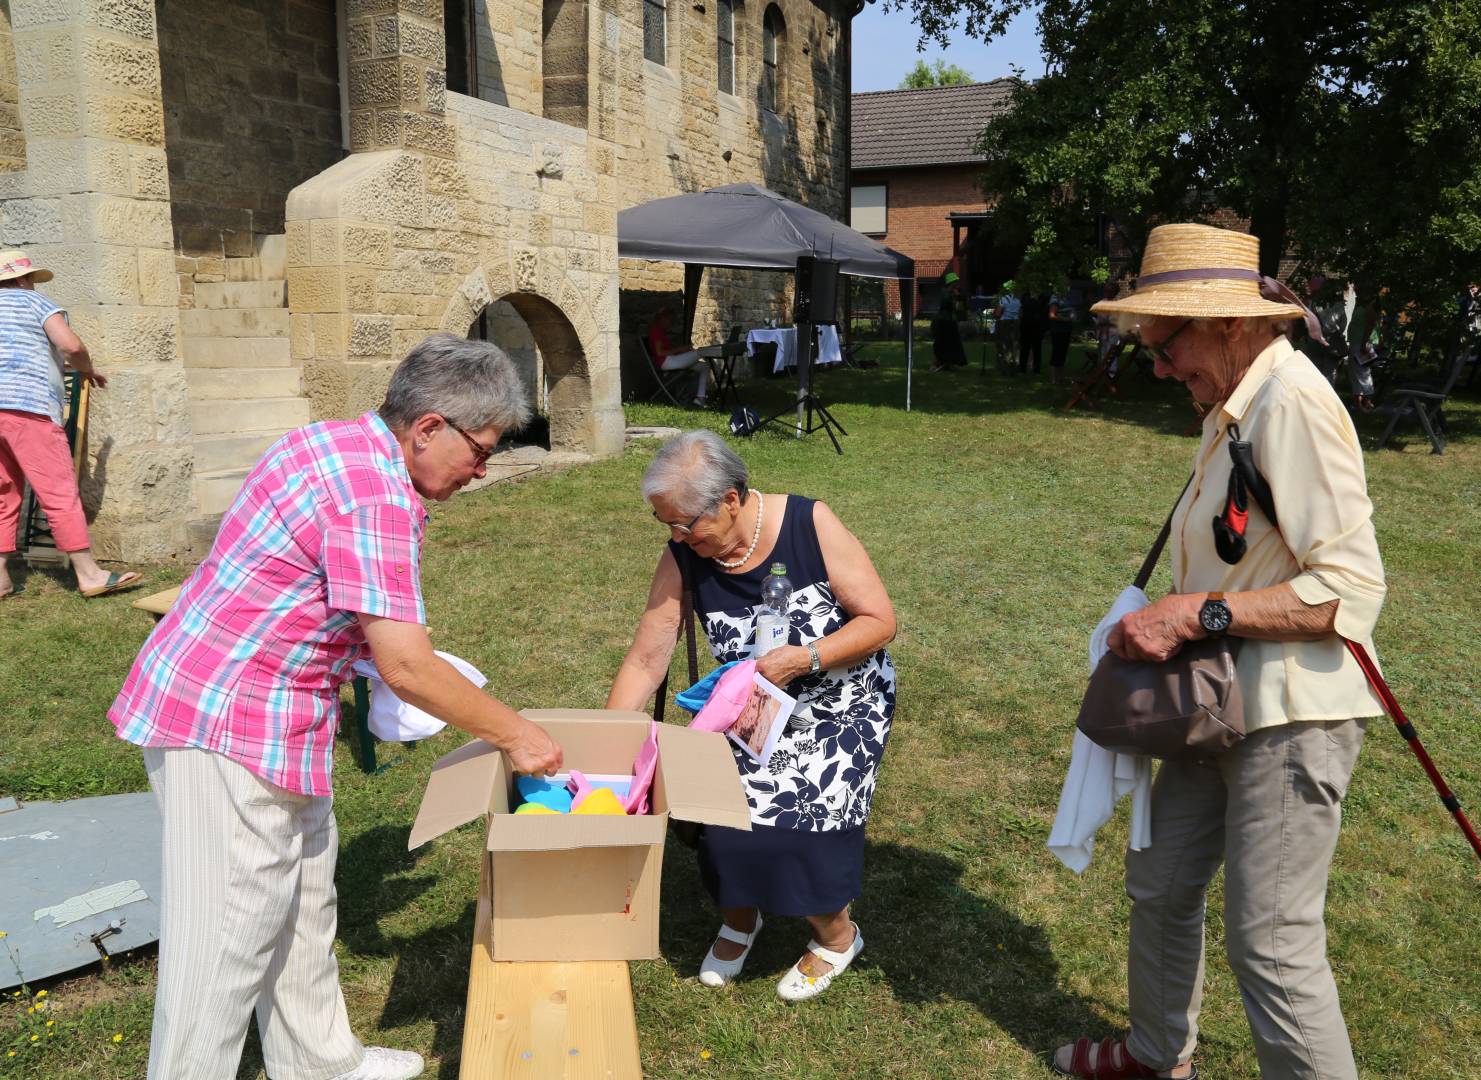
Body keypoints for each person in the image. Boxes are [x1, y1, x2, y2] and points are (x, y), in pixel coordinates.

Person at [108, 335, 565, 1080]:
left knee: (300, 903)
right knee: (223, 943)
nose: (483, 469)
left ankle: (318, 1061)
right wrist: (517, 735)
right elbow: (408, 664)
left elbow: (311, 593)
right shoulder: (376, 495)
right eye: (481, 450)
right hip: (229, 720)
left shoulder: (336, 441)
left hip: (273, 708)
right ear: (428, 428)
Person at [1055, 223, 1387, 1080]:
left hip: (1290, 715)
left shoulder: (1292, 404)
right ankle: (1157, 1056)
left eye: (1168, 345)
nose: (1160, 368)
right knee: (1161, 882)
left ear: (1233, 325)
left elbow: (1348, 591)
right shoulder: (1234, 403)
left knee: (1273, 945)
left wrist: (1191, 614)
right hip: (1213, 707)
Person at [607, 430, 897, 1001]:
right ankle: (741, 921)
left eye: (686, 523)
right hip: (749, 709)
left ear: (732, 500)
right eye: (665, 524)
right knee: (719, 815)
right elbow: (647, 656)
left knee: (801, 827)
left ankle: (837, 938)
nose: (677, 536)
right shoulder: (684, 556)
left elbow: (879, 621)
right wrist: (608, 742)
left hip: (842, 701)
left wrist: (804, 658)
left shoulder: (809, 523)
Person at [0, 249, 143, 599]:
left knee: (3, 494)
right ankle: (90, 574)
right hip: (27, 408)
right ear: (22, 279)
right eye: (31, 279)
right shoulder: (34, 302)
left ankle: (0, 579)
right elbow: (70, 345)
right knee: (58, 491)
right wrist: (86, 369)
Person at [648, 305, 710, 406]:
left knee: (704, 367)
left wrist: (682, 351)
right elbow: (660, 352)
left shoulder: (661, 332)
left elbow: (668, 349)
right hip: (666, 362)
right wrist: (680, 349)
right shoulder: (656, 331)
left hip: (671, 360)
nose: (671, 323)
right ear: (663, 318)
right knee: (700, 352)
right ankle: (714, 352)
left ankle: (700, 399)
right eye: (670, 320)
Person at [930, 272, 967, 370]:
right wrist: (953, 295)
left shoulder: (955, 293)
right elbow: (945, 303)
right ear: (951, 282)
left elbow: (959, 307)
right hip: (943, 321)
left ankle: (950, 363)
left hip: (951, 321)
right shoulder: (945, 292)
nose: (957, 283)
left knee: (953, 342)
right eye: (955, 281)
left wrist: (958, 297)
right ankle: (938, 363)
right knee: (941, 343)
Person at [1049, 282, 1081, 385]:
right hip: (1058, 330)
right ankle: (1054, 379)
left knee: (1063, 353)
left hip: (1066, 330)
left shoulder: (1067, 299)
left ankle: (1060, 377)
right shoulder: (1055, 299)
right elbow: (1052, 315)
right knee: (1057, 353)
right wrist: (1065, 319)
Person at [993, 280, 1022, 371]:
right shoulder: (1018, 300)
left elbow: (998, 313)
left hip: (1005, 323)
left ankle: (1006, 364)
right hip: (1016, 322)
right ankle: (1015, 364)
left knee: (1005, 344)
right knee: (1015, 344)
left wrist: (994, 312)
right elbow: (1021, 312)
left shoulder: (1004, 299)